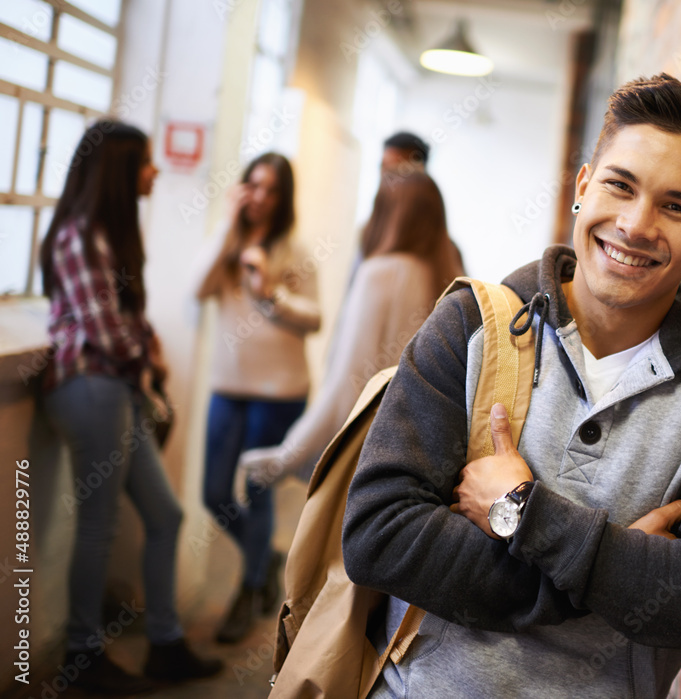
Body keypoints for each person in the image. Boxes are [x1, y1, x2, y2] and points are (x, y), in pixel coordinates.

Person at [342, 74, 681, 697]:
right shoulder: (473, 325)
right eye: (619, 186)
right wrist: (604, 570)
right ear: (582, 187)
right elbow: (377, 536)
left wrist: (523, 513)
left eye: (676, 206)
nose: (634, 224)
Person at [40, 120, 222, 694]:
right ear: (120, 170)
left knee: (166, 516)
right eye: (145, 161)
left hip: (114, 389)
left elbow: (121, 324)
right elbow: (107, 333)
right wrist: (147, 347)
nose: (155, 170)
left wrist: (141, 345)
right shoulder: (81, 234)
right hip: (90, 386)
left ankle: (164, 644)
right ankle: (81, 655)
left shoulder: (106, 234)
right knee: (99, 527)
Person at [237, 171, 465, 488]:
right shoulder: (455, 280)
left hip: (374, 450)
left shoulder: (380, 274)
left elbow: (349, 385)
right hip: (430, 453)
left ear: (386, 214)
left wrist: (286, 456)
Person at [191, 152, 321, 644]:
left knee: (258, 491)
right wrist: (228, 225)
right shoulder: (227, 246)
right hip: (229, 388)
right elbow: (197, 287)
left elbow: (315, 318)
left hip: (280, 393)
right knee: (214, 493)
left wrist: (270, 293)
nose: (261, 198)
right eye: (254, 187)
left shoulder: (295, 250)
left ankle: (246, 592)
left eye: (271, 190)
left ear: (283, 199)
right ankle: (262, 555)